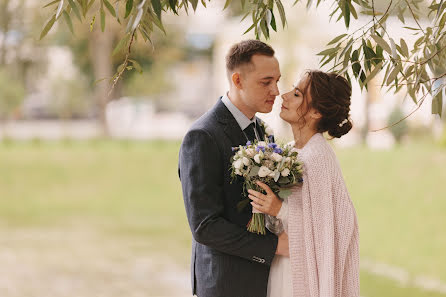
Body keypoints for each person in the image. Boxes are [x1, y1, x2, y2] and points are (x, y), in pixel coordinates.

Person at [178, 40, 290, 297]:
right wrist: (274, 247)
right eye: (266, 82)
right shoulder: (202, 136)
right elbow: (205, 225)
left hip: (267, 281)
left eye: (277, 80)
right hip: (226, 283)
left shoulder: (262, 131)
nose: (276, 90)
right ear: (238, 80)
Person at [248, 70, 360, 297]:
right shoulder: (289, 152)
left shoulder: (317, 157)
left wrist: (278, 209)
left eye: (297, 94)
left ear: (316, 112)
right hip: (282, 264)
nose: (284, 96)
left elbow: (326, 229)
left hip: (300, 277)